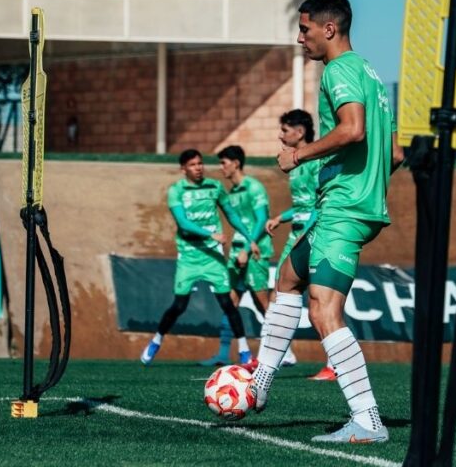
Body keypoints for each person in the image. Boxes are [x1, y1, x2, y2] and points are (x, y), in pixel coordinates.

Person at [250, 0, 405, 444]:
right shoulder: (373, 75)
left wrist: (298, 155)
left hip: (344, 209)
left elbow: (352, 130)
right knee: (287, 280)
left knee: (324, 309)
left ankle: (368, 420)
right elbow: (393, 153)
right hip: (345, 204)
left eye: (305, 30)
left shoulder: (340, 70)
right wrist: (365, 185)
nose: (300, 39)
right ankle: (259, 384)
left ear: (329, 29)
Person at [140, 149, 259, 366]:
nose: (198, 167)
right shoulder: (176, 191)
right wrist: (210, 234)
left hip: (213, 257)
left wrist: (250, 238)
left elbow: (231, 215)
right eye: (193, 165)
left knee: (227, 303)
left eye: (200, 163)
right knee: (179, 305)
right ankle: (156, 340)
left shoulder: (215, 187)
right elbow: (183, 223)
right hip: (189, 256)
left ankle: (244, 351)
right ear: (183, 168)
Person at [200, 145, 297, 368]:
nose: (221, 167)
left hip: (255, 252)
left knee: (262, 302)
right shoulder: (231, 192)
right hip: (238, 252)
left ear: (236, 163)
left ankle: (287, 351)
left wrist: (246, 248)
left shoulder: (254, 188)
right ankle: (223, 353)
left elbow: (262, 218)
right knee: (230, 301)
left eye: (224, 162)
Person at [264, 110, 334, 381]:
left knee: (323, 301)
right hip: (295, 235)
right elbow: (303, 204)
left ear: (300, 132)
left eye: (285, 130)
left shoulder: (316, 161)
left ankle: (334, 363)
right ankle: (274, 358)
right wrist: (281, 217)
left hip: (314, 234)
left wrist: (309, 227)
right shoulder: (294, 164)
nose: (280, 135)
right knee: (278, 294)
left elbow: (320, 203)